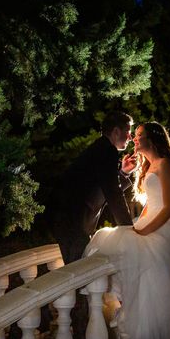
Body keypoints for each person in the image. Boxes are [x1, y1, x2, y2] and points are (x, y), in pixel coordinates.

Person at [82, 121, 170, 339]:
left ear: (153, 139)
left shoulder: (166, 164)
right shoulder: (147, 168)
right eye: (134, 136)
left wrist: (144, 230)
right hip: (155, 219)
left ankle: (149, 326)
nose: (134, 139)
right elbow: (149, 206)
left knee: (138, 244)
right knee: (111, 236)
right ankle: (127, 303)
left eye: (139, 135)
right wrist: (137, 225)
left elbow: (167, 207)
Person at [46, 110, 137, 265]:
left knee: (80, 269)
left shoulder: (101, 148)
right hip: (71, 220)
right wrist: (128, 229)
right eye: (128, 132)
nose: (130, 138)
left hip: (70, 220)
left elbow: (102, 188)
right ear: (116, 131)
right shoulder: (107, 151)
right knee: (79, 271)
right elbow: (113, 194)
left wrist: (123, 172)